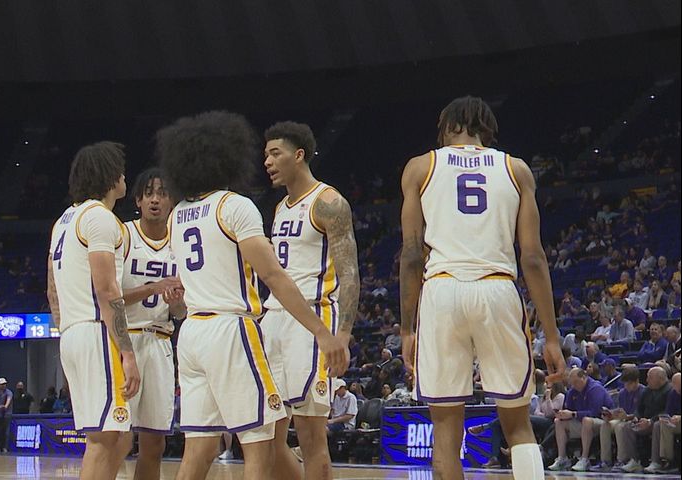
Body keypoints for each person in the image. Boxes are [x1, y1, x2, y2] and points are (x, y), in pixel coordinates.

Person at [157, 111, 347, 480]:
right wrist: (321, 332)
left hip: (191, 334)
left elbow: (183, 286)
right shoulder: (234, 205)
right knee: (259, 442)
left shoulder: (177, 214)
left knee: (198, 449)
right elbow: (273, 275)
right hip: (230, 329)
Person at [399, 96, 565, 480]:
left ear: (446, 127)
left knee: (445, 430)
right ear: (486, 129)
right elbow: (533, 257)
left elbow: (411, 254)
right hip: (497, 287)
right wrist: (552, 337)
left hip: (442, 289)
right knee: (518, 425)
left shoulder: (420, 167)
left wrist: (407, 328)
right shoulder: (516, 169)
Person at [261, 121, 361, 480]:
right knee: (265, 439)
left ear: (299, 155)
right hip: (274, 318)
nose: (268, 162)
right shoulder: (280, 208)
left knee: (311, 437)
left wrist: (342, 336)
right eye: (266, 155)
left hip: (313, 321)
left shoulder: (329, 202)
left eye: (275, 153)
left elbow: (350, 273)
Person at [46, 141, 139, 480]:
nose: (124, 176)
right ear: (109, 175)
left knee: (120, 436)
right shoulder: (99, 217)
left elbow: (51, 289)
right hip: (96, 331)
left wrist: (66, 331)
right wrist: (127, 352)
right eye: (120, 170)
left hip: (72, 333)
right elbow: (106, 289)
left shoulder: (63, 221)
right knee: (105, 438)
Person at [110, 168, 185, 480]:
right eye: (149, 193)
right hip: (124, 341)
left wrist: (175, 302)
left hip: (161, 342)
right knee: (118, 439)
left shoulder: (181, 243)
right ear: (138, 200)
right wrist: (153, 288)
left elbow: (181, 313)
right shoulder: (123, 235)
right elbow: (109, 297)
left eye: (163, 193)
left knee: (154, 443)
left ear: (172, 201)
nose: (155, 200)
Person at [548, 368, 614, 471]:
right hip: (582, 422)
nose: (574, 385)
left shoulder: (595, 388)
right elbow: (569, 409)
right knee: (559, 422)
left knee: (586, 420)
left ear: (583, 377)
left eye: (576, 382)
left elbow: (595, 412)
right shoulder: (573, 391)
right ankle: (562, 458)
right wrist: (562, 414)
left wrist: (573, 414)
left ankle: (584, 459)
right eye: (572, 383)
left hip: (603, 422)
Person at [615, 366, 671, 473]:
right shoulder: (647, 390)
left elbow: (667, 411)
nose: (647, 380)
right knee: (628, 426)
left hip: (658, 421)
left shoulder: (670, 390)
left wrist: (650, 421)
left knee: (657, 426)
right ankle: (634, 460)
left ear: (660, 378)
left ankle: (656, 462)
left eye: (650, 377)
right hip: (644, 422)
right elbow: (639, 409)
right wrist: (637, 418)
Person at [592, 367, 644, 472]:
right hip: (623, 419)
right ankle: (605, 460)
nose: (626, 386)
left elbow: (641, 413)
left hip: (635, 420)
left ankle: (622, 460)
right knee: (605, 425)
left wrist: (627, 416)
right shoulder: (622, 393)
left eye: (629, 384)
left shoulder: (643, 391)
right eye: (625, 384)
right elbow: (621, 410)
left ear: (636, 381)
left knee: (620, 427)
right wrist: (611, 416)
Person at [646, 372, 680, 474]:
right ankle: (659, 461)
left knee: (665, 426)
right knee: (659, 424)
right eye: (675, 384)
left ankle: (669, 461)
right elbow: (668, 411)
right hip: (676, 422)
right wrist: (666, 418)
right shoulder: (673, 393)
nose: (676, 387)